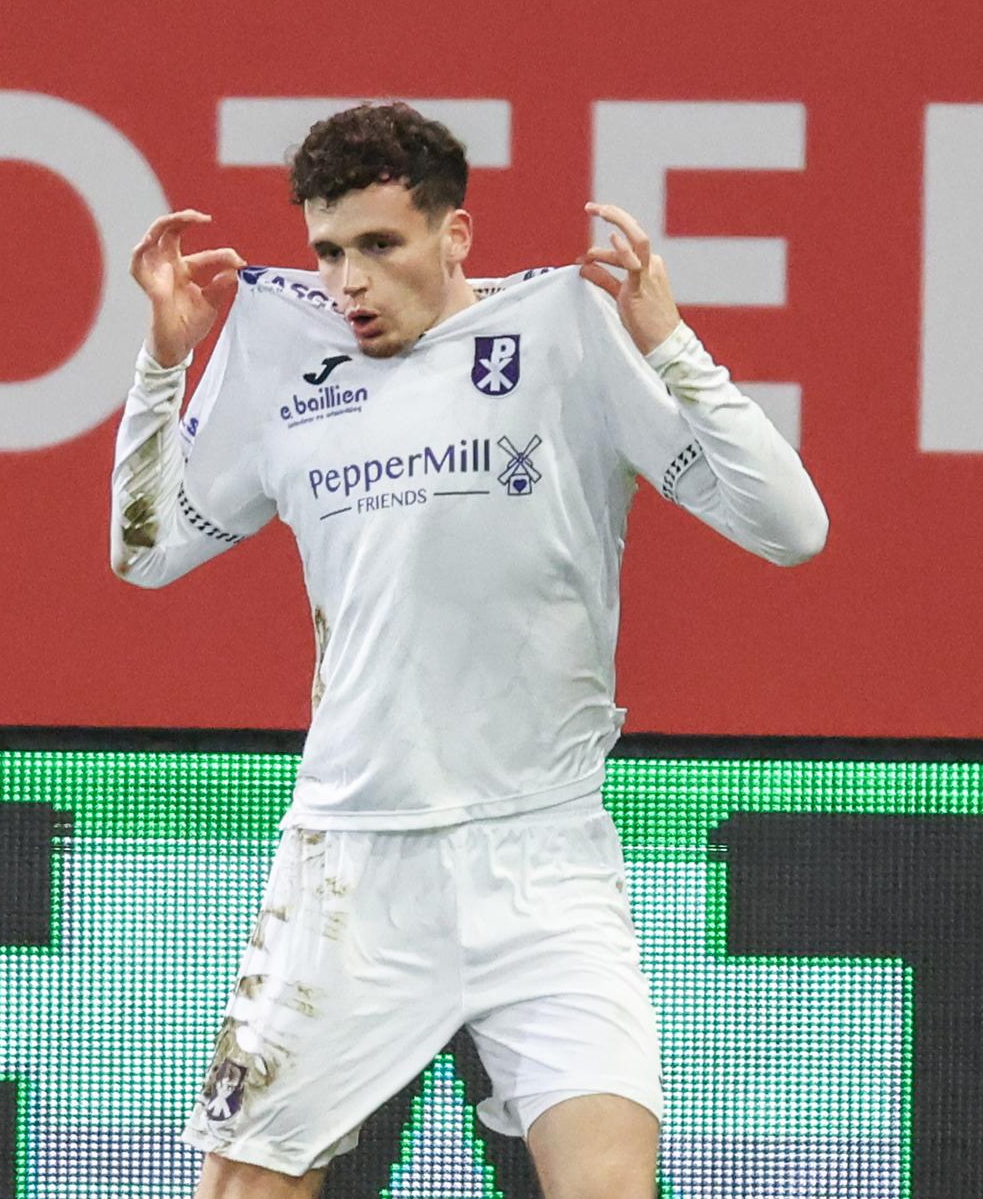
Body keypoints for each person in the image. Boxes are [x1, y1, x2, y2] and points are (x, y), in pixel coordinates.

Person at [110, 102, 827, 1199]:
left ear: (455, 236)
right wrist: (163, 366)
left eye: (381, 246)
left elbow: (792, 528)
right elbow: (141, 555)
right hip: (351, 870)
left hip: (545, 863)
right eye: (330, 250)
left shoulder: (565, 337)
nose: (350, 279)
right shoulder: (286, 356)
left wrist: (670, 345)